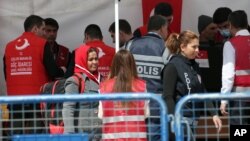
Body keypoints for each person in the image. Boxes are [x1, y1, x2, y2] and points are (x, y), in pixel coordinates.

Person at [3, 15, 65, 136]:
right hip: (36, 99)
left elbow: (6, 73)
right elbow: (53, 71)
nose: (45, 34)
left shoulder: (9, 46)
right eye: (43, 29)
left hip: (14, 99)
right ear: (35, 29)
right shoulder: (42, 44)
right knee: (35, 135)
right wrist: (62, 70)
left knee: (15, 134)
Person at [162, 31, 222, 141]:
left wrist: (214, 113)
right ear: (183, 47)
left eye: (198, 47)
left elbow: (202, 91)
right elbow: (168, 96)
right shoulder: (172, 66)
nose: (197, 50)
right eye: (194, 47)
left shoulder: (194, 66)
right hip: (180, 121)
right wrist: (174, 119)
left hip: (193, 120)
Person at [129, 15, 170, 141]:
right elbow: (168, 78)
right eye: (167, 28)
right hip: (155, 107)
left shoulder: (130, 45)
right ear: (162, 28)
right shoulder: (165, 48)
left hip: (132, 104)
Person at [98, 49, 149, 141]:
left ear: (114, 65)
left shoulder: (104, 88)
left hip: (111, 137)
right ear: (132, 65)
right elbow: (146, 114)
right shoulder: (142, 86)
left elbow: (101, 115)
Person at [62, 45, 102, 140]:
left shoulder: (102, 79)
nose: (94, 62)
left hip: (99, 135)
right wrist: (69, 133)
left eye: (96, 59)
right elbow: (68, 108)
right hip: (82, 136)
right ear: (83, 60)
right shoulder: (75, 81)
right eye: (90, 59)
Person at [220, 10, 250, 125]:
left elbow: (228, 75)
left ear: (231, 25)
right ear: (247, 24)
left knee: (240, 132)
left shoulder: (230, 44)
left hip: (239, 98)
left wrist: (224, 99)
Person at [196, 15, 223, 93]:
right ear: (202, 31)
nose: (216, 31)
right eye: (212, 28)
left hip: (218, 92)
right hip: (201, 92)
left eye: (217, 28)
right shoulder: (194, 49)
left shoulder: (219, 47)